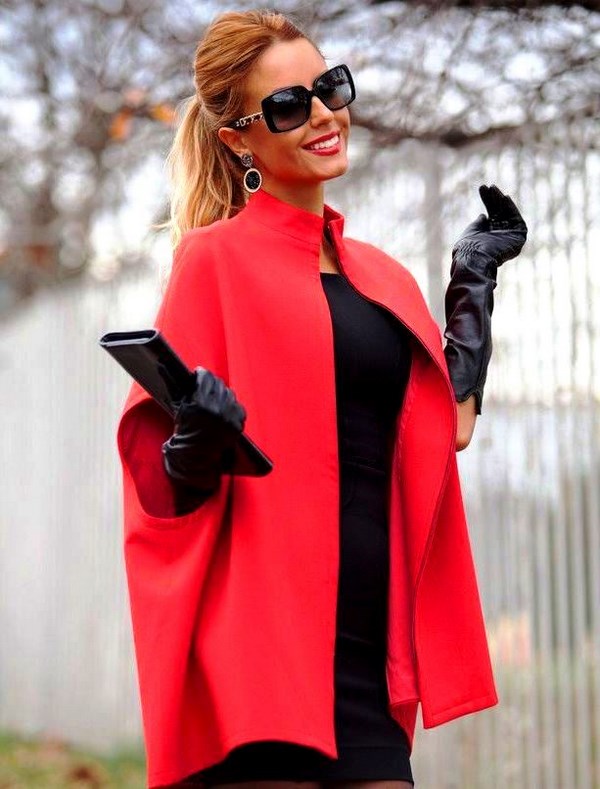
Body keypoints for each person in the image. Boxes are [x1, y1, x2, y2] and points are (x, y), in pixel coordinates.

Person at [115, 9, 527, 789]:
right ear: (238, 139)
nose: (322, 115)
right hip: (260, 651)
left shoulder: (384, 278)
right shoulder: (214, 263)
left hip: (366, 657)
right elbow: (157, 479)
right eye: (286, 105)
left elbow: (447, 429)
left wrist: (472, 283)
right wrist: (195, 442)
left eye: (329, 88)